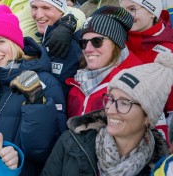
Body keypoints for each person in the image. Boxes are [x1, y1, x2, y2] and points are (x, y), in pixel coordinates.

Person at [0, 5, 67, 175]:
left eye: (1, 41)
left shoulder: (44, 82)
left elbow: (48, 150)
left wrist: (36, 105)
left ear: (15, 43)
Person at [41, 52, 173, 176]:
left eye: (124, 103)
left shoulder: (160, 169)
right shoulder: (71, 142)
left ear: (148, 117)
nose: (110, 110)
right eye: (110, 99)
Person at [66, 5, 142, 118]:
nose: (88, 49)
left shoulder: (136, 84)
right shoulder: (79, 82)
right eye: (83, 43)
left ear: (117, 44)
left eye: (97, 41)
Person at [120, 0, 173, 121]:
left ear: (152, 12)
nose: (126, 16)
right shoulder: (118, 38)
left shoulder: (169, 50)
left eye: (132, 9)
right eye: (122, 10)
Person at [28, 0, 84, 96]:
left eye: (46, 8)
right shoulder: (41, 40)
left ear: (62, 11)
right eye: (34, 7)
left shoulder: (73, 45)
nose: (38, 15)